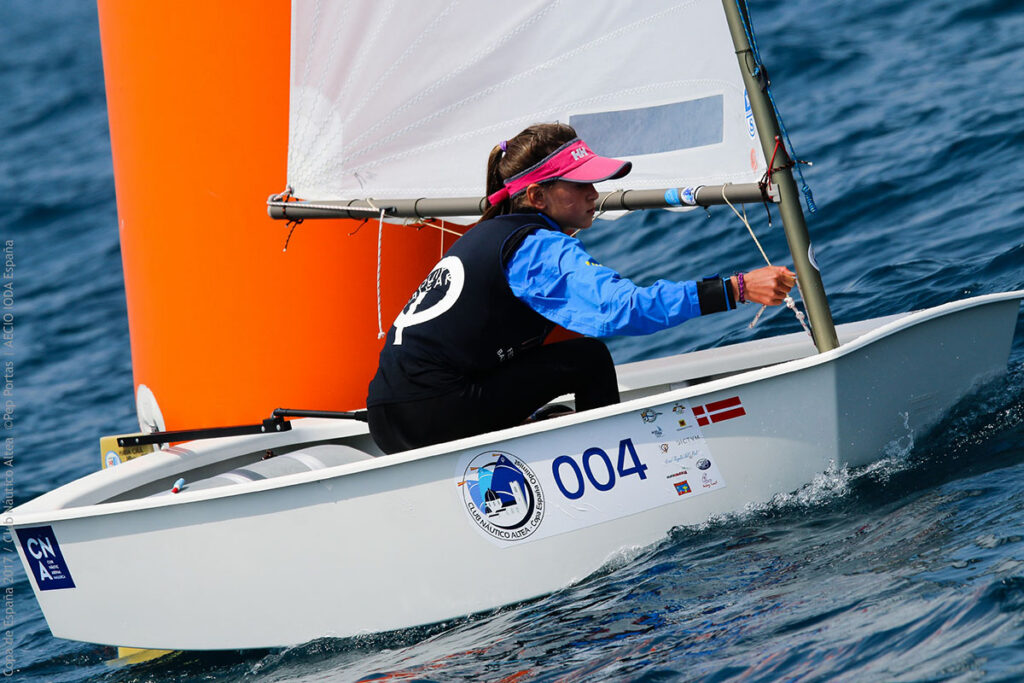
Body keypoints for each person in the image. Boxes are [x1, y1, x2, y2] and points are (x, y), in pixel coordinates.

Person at [366, 123, 794, 454]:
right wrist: (736, 289)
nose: (594, 193)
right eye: (580, 184)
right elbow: (623, 311)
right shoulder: (534, 249)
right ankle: (615, 461)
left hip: (388, 418)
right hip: (430, 412)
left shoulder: (488, 236)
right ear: (537, 197)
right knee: (587, 358)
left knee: (556, 355)